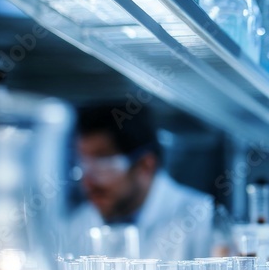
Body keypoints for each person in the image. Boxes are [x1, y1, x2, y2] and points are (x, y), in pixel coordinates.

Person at [65, 104, 214, 261]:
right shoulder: (78, 225)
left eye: (102, 166)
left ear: (145, 165)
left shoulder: (202, 219)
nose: (88, 182)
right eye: (83, 166)